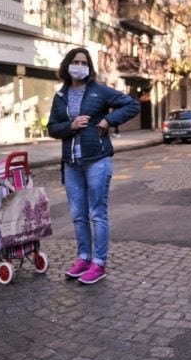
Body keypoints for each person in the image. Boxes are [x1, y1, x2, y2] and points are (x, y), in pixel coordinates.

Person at [47, 48, 140, 284]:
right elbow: (52, 128)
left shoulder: (99, 91)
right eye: (75, 62)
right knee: (78, 215)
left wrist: (109, 120)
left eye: (84, 62)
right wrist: (71, 125)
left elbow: (131, 105)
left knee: (97, 213)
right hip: (71, 163)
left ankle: (99, 263)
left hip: (97, 159)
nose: (80, 65)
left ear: (88, 67)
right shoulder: (60, 97)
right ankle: (84, 258)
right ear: (68, 65)